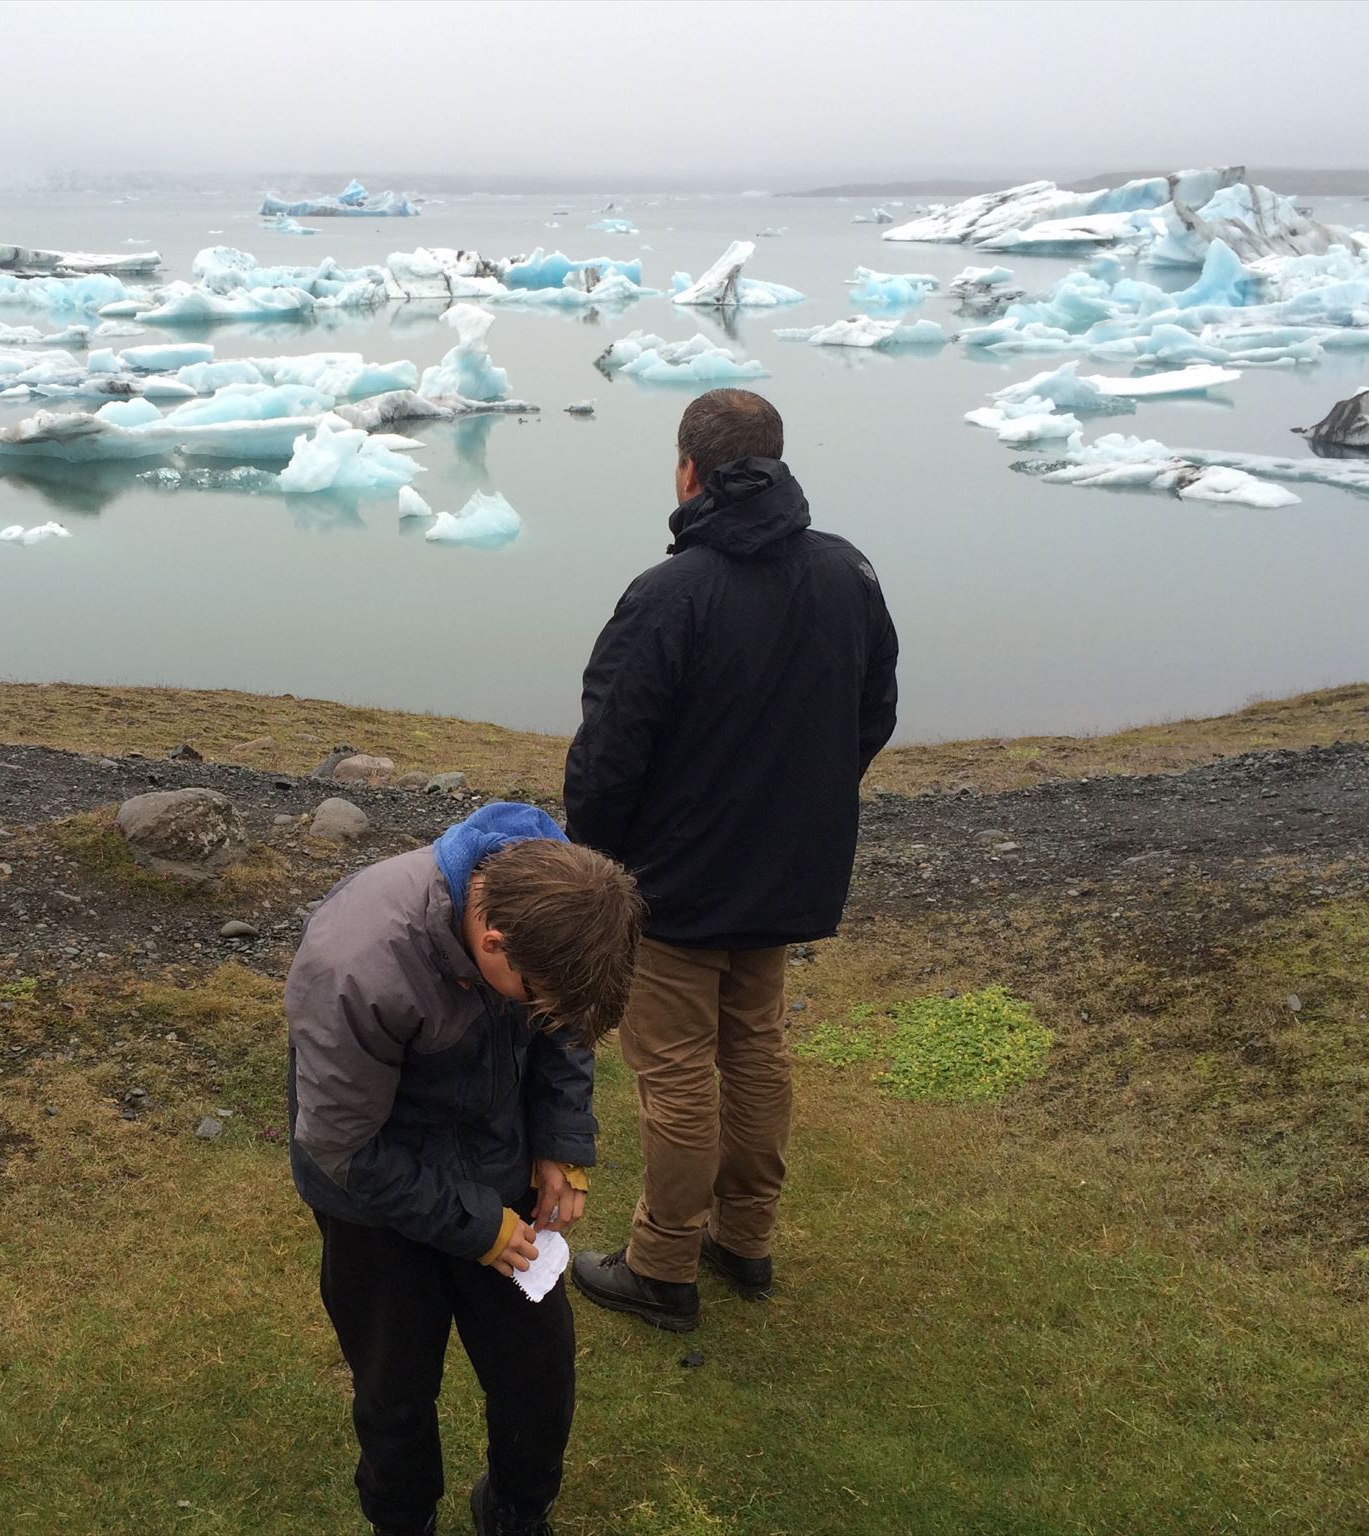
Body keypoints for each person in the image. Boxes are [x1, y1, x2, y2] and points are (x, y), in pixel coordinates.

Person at [563, 387, 899, 1333]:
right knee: (755, 1049)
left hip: (673, 889)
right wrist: (804, 808)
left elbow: (608, 755)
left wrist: (605, 863)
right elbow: (872, 714)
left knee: (675, 1071)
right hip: (784, 875)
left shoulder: (669, 594)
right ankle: (745, 1240)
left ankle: (662, 1264)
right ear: (777, 462)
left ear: (689, 472)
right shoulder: (848, 573)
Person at [287, 802, 644, 1536]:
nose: (546, 1013)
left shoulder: (563, 895)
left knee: (539, 1371)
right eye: (535, 1000)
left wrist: (560, 1141)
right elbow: (345, 1147)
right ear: (492, 943)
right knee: (395, 1387)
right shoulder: (358, 961)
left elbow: (566, 1025)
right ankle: (403, 1519)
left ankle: (516, 1512)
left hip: (491, 1162)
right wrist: (480, 1228)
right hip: (371, 1201)